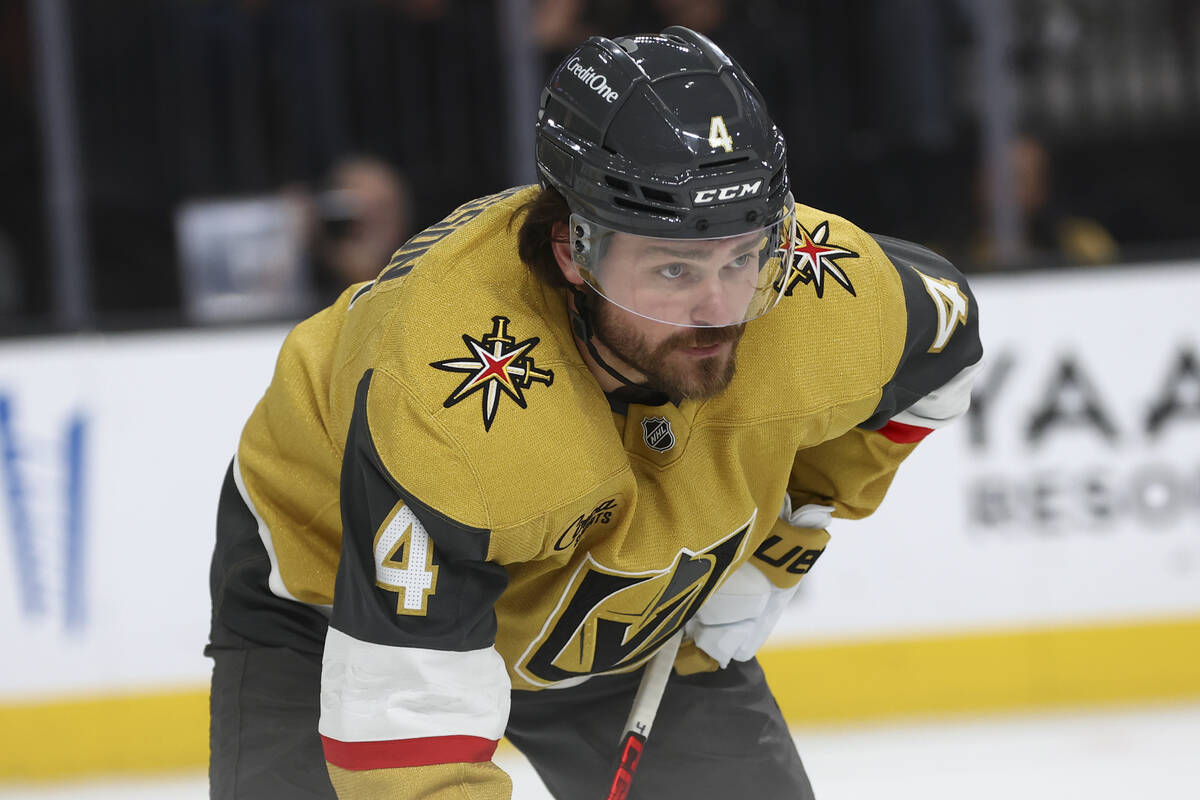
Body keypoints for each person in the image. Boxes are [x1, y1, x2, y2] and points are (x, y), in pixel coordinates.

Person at [206, 26, 983, 800]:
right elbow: (409, 746)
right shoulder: (450, 405)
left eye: (742, 257)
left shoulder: (815, 297)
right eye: (672, 268)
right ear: (573, 251)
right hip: (329, 584)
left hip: (616, 605)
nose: (718, 309)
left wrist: (786, 535)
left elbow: (944, 348)